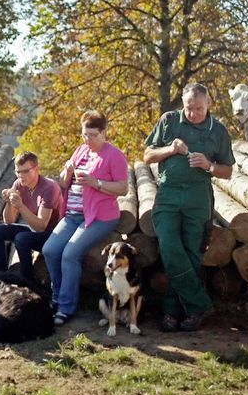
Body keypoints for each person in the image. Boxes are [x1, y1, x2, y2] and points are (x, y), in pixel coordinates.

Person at [144, 83, 235, 332]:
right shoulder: (169, 121)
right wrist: (170, 149)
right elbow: (147, 156)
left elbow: (227, 171)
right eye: (189, 108)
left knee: (192, 254)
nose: (194, 113)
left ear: (208, 105)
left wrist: (208, 165)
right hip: (168, 194)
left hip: (199, 197)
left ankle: (173, 312)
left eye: (199, 108)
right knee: (170, 246)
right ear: (183, 104)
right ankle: (199, 305)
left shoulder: (218, 130)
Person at [42, 110, 128, 326]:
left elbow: (123, 188)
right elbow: (63, 182)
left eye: (92, 135)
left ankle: (66, 307)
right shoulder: (80, 151)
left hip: (99, 217)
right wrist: (68, 170)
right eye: (84, 135)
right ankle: (57, 296)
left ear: (103, 133)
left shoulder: (114, 155)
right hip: (72, 216)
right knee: (50, 250)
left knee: (70, 254)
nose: (87, 140)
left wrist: (96, 183)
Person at [0, 151, 62, 280]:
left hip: (54, 235)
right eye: (18, 172)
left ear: (37, 169)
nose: (21, 176)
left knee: (22, 238)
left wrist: (21, 206)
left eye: (25, 171)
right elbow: (9, 220)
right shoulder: (19, 184)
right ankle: (1, 278)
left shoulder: (50, 188)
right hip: (36, 231)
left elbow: (41, 226)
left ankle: (27, 281)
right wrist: (9, 202)